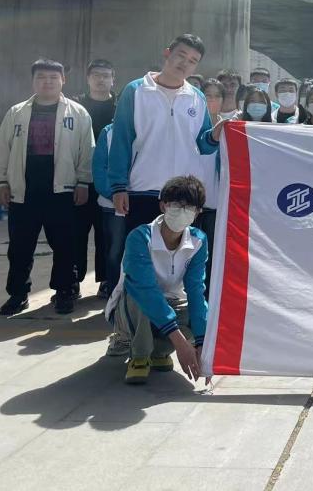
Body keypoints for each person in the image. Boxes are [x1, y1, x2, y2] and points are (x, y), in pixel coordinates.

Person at [0, 59, 95, 316]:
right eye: (41, 77)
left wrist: (83, 182)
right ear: (33, 81)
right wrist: (1, 181)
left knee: (65, 246)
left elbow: (87, 151)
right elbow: (2, 148)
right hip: (24, 191)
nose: (47, 82)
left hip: (62, 191)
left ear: (63, 80)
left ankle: (64, 291)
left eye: (52, 77)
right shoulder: (16, 112)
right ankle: (18, 294)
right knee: (20, 247)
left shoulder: (78, 113)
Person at [108, 33, 222, 236]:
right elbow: (121, 141)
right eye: (181, 55)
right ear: (167, 53)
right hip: (143, 189)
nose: (185, 63)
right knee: (142, 251)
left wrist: (214, 136)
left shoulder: (197, 97)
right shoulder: (136, 91)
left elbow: (202, 145)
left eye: (192, 61)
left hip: (185, 195)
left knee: (183, 253)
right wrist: (118, 187)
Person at [104, 175, 209, 385]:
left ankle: (158, 352)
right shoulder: (140, 237)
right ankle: (139, 355)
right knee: (142, 298)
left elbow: (196, 290)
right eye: (177, 205)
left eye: (190, 207)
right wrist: (181, 343)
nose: (183, 211)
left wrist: (202, 345)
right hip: (131, 308)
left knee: (199, 313)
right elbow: (145, 289)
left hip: (172, 303)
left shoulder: (198, 241)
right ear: (163, 206)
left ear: (198, 212)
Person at [74, 59, 117, 298]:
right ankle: (73, 280)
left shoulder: (121, 106)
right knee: (76, 233)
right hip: (80, 180)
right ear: (88, 78)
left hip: (110, 182)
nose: (101, 79)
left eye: (106, 75)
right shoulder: (76, 106)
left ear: (113, 80)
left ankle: (106, 279)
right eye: (96, 75)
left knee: (107, 234)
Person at [93, 122, 131, 355]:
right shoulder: (108, 133)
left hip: (140, 201)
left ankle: (132, 301)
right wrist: (114, 193)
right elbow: (99, 168)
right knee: (115, 251)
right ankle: (114, 300)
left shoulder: (145, 126)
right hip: (112, 205)